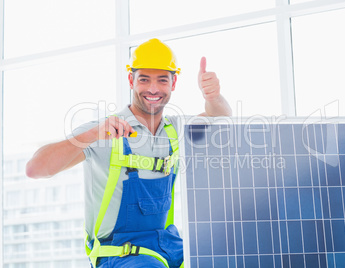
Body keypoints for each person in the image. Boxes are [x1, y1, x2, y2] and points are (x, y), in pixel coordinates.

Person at [25, 38, 232, 267]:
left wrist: (212, 97)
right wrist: (90, 136)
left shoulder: (174, 130)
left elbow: (220, 118)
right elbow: (35, 169)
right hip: (119, 255)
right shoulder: (105, 131)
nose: (153, 89)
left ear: (173, 84)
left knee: (224, 257)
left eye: (162, 80)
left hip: (167, 248)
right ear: (131, 80)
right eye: (144, 79)